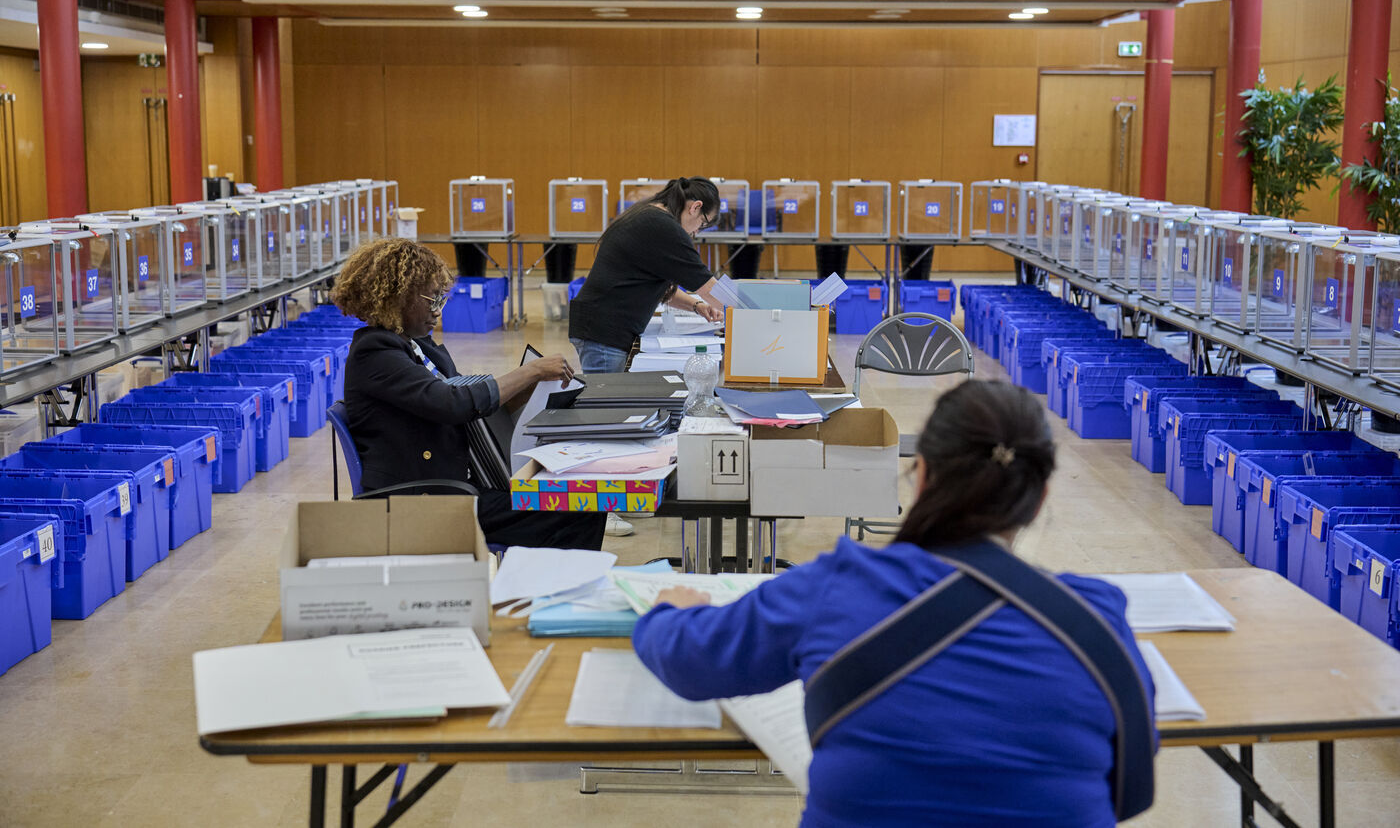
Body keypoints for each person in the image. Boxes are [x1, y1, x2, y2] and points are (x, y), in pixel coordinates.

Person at [632, 380, 1157, 827]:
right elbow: (1131, 791)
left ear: (922, 474)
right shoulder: (1095, 619)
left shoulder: (838, 588)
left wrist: (670, 612)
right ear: (1038, 499)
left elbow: (691, 660)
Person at [334, 238, 606, 550]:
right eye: (432, 299)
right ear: (398, 297)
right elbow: (453, 404)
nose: (438, 310)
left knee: (577, 500)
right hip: (423, 501)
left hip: (452, 485)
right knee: (581, 509)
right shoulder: (375, 352)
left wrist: (526, 389)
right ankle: (559, 578)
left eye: (442, 299)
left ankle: (552, 574)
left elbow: (467, 400)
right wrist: (531, 372)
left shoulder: (416, 344)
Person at [568, 176, 726, 374]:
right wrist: (748, 316)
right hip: (605, 332)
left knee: (610, 391)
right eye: (702, 223)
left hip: (600, 326)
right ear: (695, 207)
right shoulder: (664, 227)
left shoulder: (649, 214)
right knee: (605, 393)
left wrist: (697, 306)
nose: (695, 232)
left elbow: (663, 290)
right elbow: (708, 287)